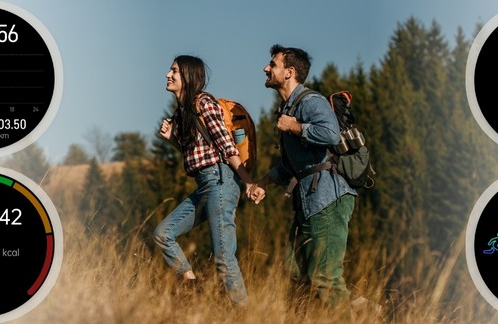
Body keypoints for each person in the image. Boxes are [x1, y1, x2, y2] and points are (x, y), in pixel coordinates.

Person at [153, 55, 264, 307]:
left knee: (224, 257)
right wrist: (172, 139)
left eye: (174, 72)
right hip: (204, 184)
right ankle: (193, 285)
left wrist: (248, 181)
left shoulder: (204, 103)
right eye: (170, 70)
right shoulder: (182, 112)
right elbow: (196, 153)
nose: (167, 75)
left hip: (221, 180)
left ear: (189, 77)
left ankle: (244, 315)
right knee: (163, 234)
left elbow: (226, 147)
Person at [257, 45, 357, 309]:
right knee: (295, 275)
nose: (266, 69)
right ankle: (368, 311)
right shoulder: (288, 108)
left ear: (289, 72)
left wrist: (296, 126)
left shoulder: (311, 102)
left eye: (272, 64)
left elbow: (331, 134)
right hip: (308, 202)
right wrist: (263, 183)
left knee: (324, 279)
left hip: (327, 200)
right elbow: (292, 165)